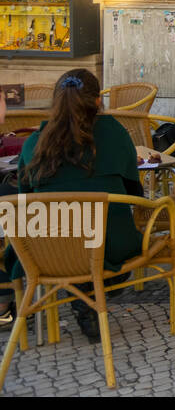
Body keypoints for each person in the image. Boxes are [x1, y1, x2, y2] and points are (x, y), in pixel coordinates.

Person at [1, 69, 142, 341]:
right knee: (108, 233)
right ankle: (92, 290)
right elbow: (134, 190)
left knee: (65, 229)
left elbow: (25, 194)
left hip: (47, 248)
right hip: (108, 242)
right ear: (98, 101)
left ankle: (81, 293)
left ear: (56, 101)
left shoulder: (34, 143)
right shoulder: (114, 134)